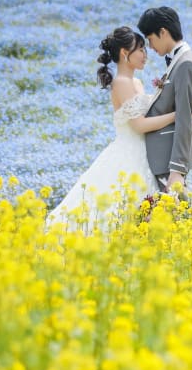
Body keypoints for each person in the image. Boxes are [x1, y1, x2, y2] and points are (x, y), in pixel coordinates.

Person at [47, 26, 176, 230]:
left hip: (144, 154)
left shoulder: (136, 82)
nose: (145, 55)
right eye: (140, 50)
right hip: (129, 155)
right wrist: (177, 116)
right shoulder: (122, 83)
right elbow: (139, 125)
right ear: (125, 53)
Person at [137, 7, 192, 196]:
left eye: (150, 39)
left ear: (163, 32)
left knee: (175, 213)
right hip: (161, 156)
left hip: (168, 158)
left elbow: (184, 118)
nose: (150, 47)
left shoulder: (185, 64)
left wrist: (177, 170)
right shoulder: (179, 60)